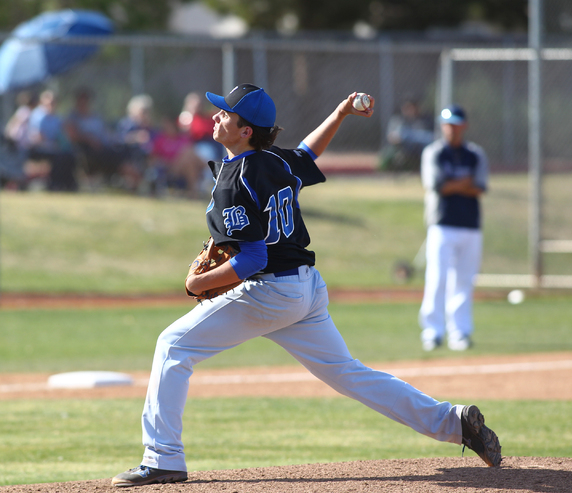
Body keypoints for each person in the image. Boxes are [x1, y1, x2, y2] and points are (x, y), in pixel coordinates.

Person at [112, 85, 501, 487]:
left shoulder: (234, 180)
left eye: (226, 114)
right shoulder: (273, 160)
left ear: (246, 131)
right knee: (348, 373)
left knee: (173, 346)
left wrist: (198, 283)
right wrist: (339, 113)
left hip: (271, 292)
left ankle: (163, 459)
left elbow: (252, 259)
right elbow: (307, 152)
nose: (216, 117)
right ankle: (454, 422)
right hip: (306, 289)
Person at [419, 105, 489, 352]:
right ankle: (432, 331)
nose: (452, 129)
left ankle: (460, 332)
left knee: (464, 281)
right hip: (442, 223)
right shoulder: (434, 152)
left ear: (464, 126)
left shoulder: (475, 154)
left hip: (470, 225)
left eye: (456, 124)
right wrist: (463, 183)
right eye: (448, 124)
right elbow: (438, 186)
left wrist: (454, 184)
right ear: (442, 126)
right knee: (436, 278)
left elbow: (480, 186)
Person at [64, 87, 133, 187]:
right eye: (81, 99)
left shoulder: (96, 117)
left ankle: (134, 181)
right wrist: (89, 139)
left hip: (104, 147)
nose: (84, 103)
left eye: (86, 100)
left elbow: (107, 134)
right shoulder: (73, 117)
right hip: (87, 150)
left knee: (123, 152)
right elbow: (72, 135)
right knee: (116, 158)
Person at [26, 90, 78, 191]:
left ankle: (68, 184)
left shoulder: (56, 118)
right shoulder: (38, 116)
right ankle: (55, 184)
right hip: (37, 148)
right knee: (59, 157)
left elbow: (60, 135)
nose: (52, 105)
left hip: (53, 147)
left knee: (69, 155)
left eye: (54, 102)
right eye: (49, 102)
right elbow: (37, 137)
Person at [380, 97, 434, 172]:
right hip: (403, 148)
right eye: (407, 107)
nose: (409, 110)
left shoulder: (424, 120)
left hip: (419, 149)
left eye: (412, 107)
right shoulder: (398, 120)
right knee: (388, 153)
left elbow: (430, 137)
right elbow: (391, 137)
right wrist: (403, 136)